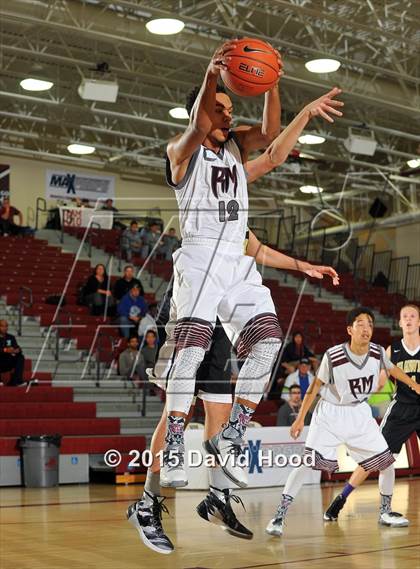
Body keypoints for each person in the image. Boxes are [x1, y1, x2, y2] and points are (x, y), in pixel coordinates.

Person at [161, 38, 343, 489]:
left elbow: (274, 145)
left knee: (266, 344)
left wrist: (279, 90)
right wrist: (210, 76)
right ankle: (174, 450)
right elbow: (201, 119)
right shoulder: (181, 152)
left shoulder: (237, 155)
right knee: (191, 353)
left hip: (236, 261)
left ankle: (232, 437)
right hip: (200, 258)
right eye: (221, 109)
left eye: (229, 108)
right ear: (202, 114)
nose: (229, 114)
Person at [127, 228, 340, 554]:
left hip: (222, 316)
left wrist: (302, 267)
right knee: (175, 417)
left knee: (220, 411)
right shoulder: (203, 201)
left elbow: (259, 249)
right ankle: (148, 502)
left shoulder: (237, 214)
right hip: (190, 306)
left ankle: (217, 497)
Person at [265, 307, 420, 538]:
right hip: (330, 415)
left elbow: (393, 369)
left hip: (359, 414)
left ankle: (385, 512)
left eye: (369, 324)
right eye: (360, 323)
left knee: (387, 462)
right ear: (350, 329)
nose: (366, 328)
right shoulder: (334, 355)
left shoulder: (378, 352)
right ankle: (279, 515)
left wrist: (414, 384)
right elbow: (315, 388)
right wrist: (299, 419)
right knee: (307, 463)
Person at [324, 303, 420, 527]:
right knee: (379, 459)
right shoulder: (392, 350)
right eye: (404, 316)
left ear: (418, 322)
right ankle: (342, 500)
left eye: (412, 316)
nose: (408, 319)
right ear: (399, 322)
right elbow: (381, 380)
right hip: (402, 410)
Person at [0, 320, 25, 386]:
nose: (5, 328)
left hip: (8, 361)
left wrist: (17, 350)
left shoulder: (11, 337)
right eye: (2, 326)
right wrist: (5, 350)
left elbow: (17, 347)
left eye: (6, 326)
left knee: (20, 357)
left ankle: (18, 381)